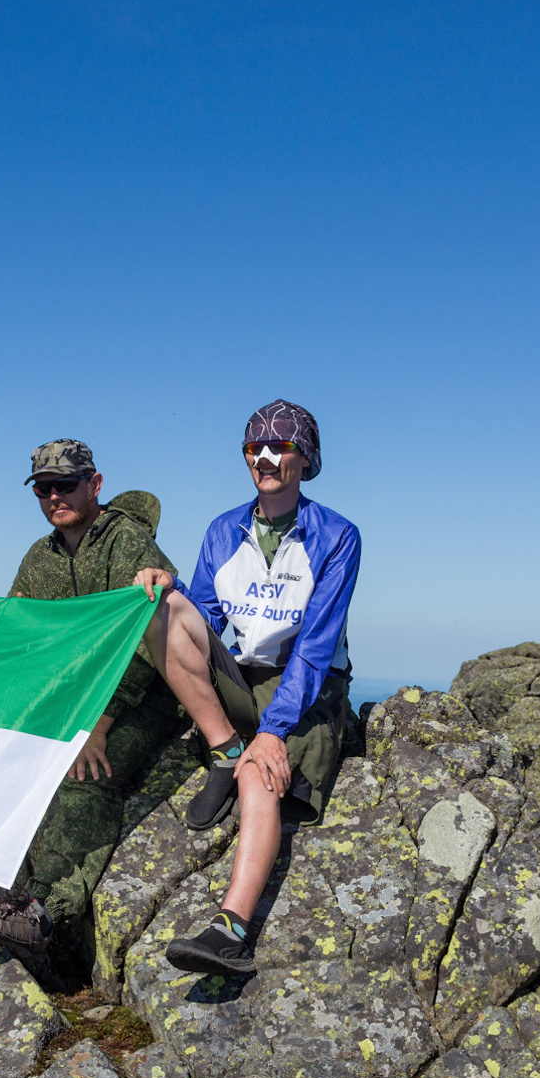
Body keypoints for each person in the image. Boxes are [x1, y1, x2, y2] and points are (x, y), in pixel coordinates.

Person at [133, 401, 360, 977]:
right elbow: (202, 615)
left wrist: (275, 731)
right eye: (254, 447)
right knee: (164, 608)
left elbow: (314, 645)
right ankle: (223, 748)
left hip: (308, 684)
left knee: (264, 773)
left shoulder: (337, 537)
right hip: (246, 672)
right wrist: (168, 587)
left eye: (280, 447)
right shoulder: (223, 529)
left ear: (304, 458)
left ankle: (231, 930)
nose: (265, 457)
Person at [0, 440, 187, 961]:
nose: (54, 496)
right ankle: (9, 885)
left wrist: (98, 725)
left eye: (66, 484)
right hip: (71, 698)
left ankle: (45, 912)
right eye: (44, 488)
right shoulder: (39, 558)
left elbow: (145, 639)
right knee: (18, 765)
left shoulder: (125, 542)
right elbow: (16, 639)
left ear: (95, 483)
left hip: (143, 696)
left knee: (84, 776)